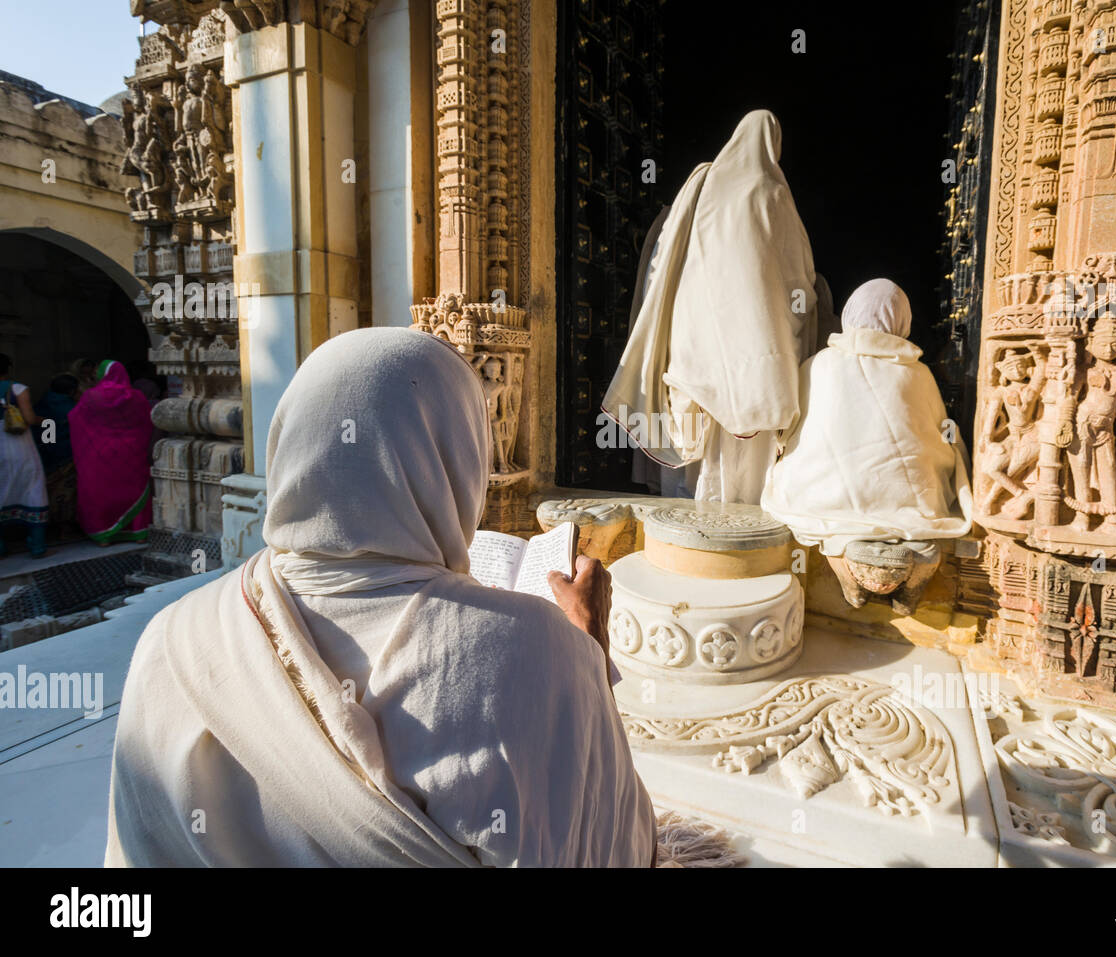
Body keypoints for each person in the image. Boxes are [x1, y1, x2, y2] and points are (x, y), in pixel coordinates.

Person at [106, 327, 656, 867]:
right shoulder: (536, 651)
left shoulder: (176, 639)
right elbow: (615, 846)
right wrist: (586, 649)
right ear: (460, 457)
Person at [602, 109, 819, 505]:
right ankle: (741, 544)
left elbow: (674, 263)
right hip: (757, 359)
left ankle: (686, 534)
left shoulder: (702, 188)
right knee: (747, 465)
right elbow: (797, 278)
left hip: (696, 351)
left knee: (694, 452)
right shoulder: (773, 193)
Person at [761, 279, 974, 555]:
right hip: (911, 503)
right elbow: (940, 434)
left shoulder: (818, 364)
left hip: (817, 500)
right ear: (903, 320)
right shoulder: (918, 374)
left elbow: (787, 432)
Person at [68, 360, 154, 545]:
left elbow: (75, 418)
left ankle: (104, 536)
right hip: (131, 452)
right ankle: (138, 532)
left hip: (99, 454)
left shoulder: (91, 396)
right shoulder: (136, 396)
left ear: (100, 375)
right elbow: (147, 421)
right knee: (133, 489)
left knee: (101, 492)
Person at [0, 353, 49, 557]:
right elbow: (28, 417)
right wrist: (46, 421)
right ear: (8, 368)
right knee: (32, 486)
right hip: (18, 444)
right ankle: (37, 546)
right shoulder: (18, 388)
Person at [34, 374, 80, 535]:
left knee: (48, 490)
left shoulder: (42, 404)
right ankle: (64, 527)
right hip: (67, 456)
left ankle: (47, 523)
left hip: (45, 455)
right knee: (66, 493)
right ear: (72, 391)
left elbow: (47, 435)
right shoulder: (72, 408)